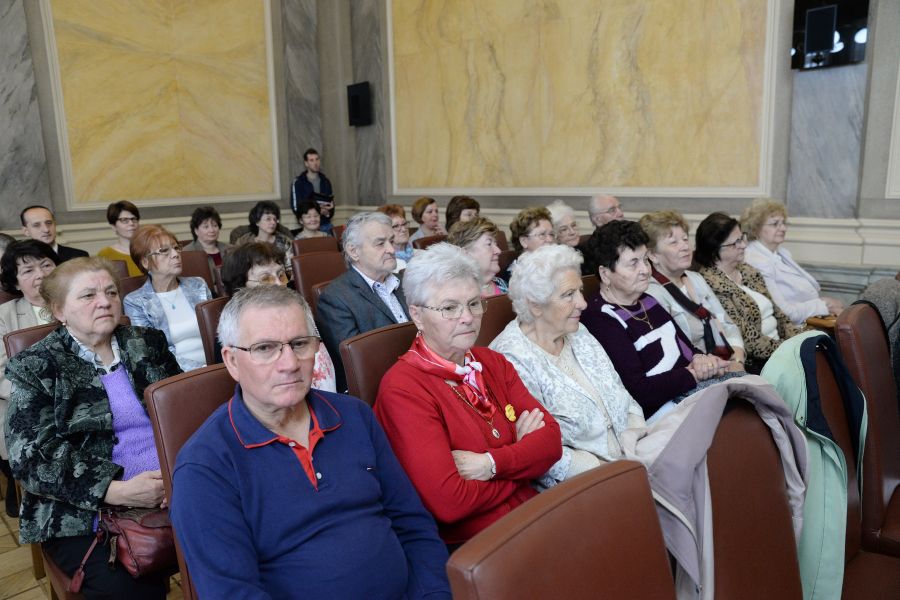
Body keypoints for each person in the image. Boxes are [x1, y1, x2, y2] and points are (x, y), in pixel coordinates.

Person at [170, 286, 450, 599]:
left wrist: (433, 594)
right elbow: (233, 592)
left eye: (300, 343)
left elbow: (413, 525)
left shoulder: (354, 416)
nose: (289, 363)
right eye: (265, 348)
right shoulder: (205, 466)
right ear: (232, 361)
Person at [6, 257, 182, 599]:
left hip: (175, 488)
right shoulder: (37, 366)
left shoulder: (146, 342)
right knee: (129, 591)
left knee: (251, 544)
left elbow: (180, 414)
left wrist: (177, 477)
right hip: (86, 511)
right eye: (88, 295)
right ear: (59, 310)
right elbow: (29, 458)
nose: (104, 301)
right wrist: (114, 490)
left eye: (111, 292)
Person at [375, 243, 562, 546]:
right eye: (450, 308)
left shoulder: (493, 362)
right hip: (478, 543)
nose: (467, 318)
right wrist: (523, 463)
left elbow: (552, 441)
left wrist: (490, 464)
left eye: (474, 303)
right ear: (417, 315)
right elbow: (450, 502)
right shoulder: (403, 389)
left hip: (532, 515)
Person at [490, 245, 645, 487]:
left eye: (580, 291)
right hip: (583, 486)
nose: (583, 303)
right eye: (568, 294)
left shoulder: (578, 332)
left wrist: (637, 440)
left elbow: (622, 394)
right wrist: (612, 473)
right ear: (535, 305)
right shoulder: (509, 359)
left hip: (633, 458)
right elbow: (544, 452)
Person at [580, 220, 729, 420]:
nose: (645, 270)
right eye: (633, 263)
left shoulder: (647, 300)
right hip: (661, 412)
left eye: (645, 260)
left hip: (692, 392)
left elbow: (687, 349)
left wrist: (701, 359)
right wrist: (692, 374)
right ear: (605, 274)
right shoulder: (600, 318)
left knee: (755, 396)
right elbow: (638, 391)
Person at [695, 212, 803, 374]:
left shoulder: (748, 271)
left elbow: (779, 314)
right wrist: (790, 349)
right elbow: (748, 340)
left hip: (782, 348)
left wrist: (798, 339)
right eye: (736, 243)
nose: (744, 245)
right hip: (760, 361)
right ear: (714, 250)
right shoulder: (709, 283)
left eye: (742, 237)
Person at [221, 242, 336, 391]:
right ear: (241, 287)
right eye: (266, 279)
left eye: (281, 276)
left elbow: (337, 366)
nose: (278, 284)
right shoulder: (231, 331)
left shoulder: (301, 315)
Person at [317, 212, 409, 391]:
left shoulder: (406, 282)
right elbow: (358, 364)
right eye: (380, 243)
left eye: (391, 240)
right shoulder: (335, 298)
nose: (391, 249)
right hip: (384, 388)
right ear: (354, 251)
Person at [640, 211, 746, 367]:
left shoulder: (695, 278)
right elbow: (676, 352)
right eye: (674, 242)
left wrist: (737, 360)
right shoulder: (651, 293)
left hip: (727, 363)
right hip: (697, 372)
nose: (685, 247)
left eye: (684, 239)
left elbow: (727, 325)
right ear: (653, 255)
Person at [0, 241, 59, 517]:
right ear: (15, 280)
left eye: (46, 264)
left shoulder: (76, 302)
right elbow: (2, 373)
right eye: (28, 270)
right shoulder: (4, 315)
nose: (41, 275)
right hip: (29, 405)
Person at [742, 198, 844, 325]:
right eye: (775, 224)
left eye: (784, 223)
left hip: (808, 318)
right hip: (791, 329)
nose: (783, 228)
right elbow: (784, 312)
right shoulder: (756, 260)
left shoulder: (782, 253)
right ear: (756, 228)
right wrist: (825, 305)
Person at [123, 225, 212, 371]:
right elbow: (152, 353)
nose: (175, 254)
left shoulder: (198, 285)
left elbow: (217, 333)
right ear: (145, 262)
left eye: (176, 248)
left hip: (216, 365)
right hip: (177, 375)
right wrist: (201, 369)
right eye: (164, 251)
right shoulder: (136, 302)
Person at [447, 216, 508, 297]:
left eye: (496, 244)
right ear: (466, 254)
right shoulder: (456, 295)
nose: (498, 251)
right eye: (489, 244)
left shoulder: (502, 285)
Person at [234, 200, 294, 275]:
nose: (273, 223)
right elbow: (236, 266)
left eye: (275, 219)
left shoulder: (283, 241)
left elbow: (291, 270)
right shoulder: (244, 241)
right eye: (268, 219)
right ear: (257, 222)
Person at [183, 205, 231, 296]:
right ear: (196, 230)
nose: (212, 230)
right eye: (206, 227)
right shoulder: (187, 254)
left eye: (215, 225)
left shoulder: (230, 249)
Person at [20, 205, 89, 262]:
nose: (46, 229)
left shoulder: (79, 256)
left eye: (49, 223)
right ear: (26, 231)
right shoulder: (21, 260)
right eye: (37, 225)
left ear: (55, 224)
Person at [291, 148, 335, 235]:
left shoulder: (326, 181)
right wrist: (317, 211)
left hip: (326, 225)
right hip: (308, 227)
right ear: (306, 163)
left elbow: (331, 205)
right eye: (311, 160)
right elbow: (296, 207)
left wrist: (328, 211)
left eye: (317, 159)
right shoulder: (298, 182)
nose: (315, 163)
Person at [98, 201, 142, 276]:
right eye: (124, 220)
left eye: (134, 219)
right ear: (114, 226)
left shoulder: (149, 250)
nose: (131, 223)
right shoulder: (104, 255)